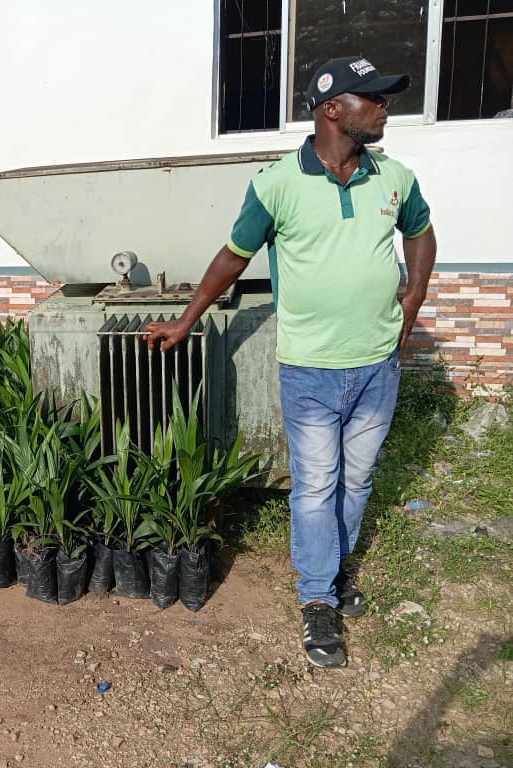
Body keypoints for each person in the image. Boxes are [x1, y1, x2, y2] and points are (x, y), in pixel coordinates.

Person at [142, 56, 437, 668]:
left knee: (357, 480)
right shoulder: (276, 183)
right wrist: (187, 319)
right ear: (332, 108)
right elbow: (234, 255)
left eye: (384, 98)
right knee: (317, 484)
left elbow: (421, 233)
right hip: (310, 370)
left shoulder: (394, 177)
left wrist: (413, 298)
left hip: (377, 365)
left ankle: (333, 569)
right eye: (372, 97)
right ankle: (318, 598)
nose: (384, 107)